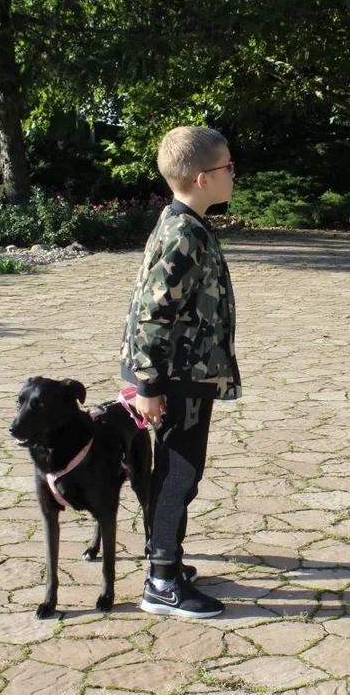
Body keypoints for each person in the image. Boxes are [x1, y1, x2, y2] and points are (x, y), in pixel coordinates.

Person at [120, 126, 241, 617]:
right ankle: (162, 581)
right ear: (202, 177)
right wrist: (148, 384)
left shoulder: (184, 222)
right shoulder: (183, 233)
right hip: (178, 377)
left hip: (187, 372)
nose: (233, 174)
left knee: (176, 471)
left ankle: (164, 558)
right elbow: (154, 311)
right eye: (227, 167)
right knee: (178, 474)